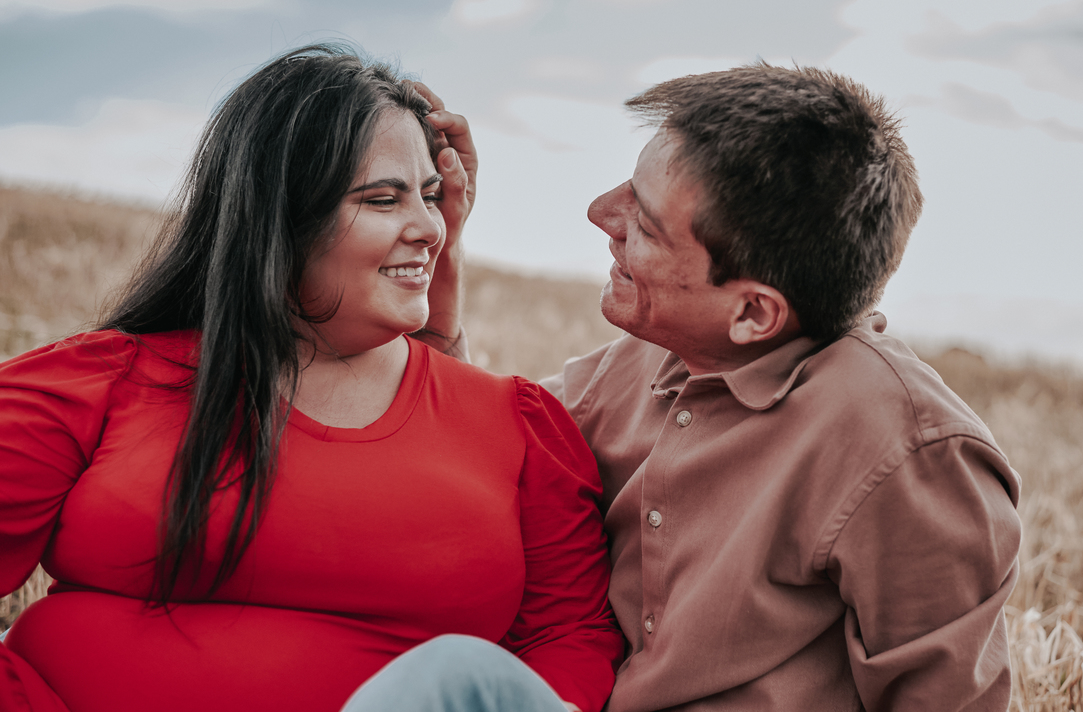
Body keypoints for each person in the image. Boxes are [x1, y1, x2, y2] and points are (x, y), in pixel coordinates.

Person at [0, 44, 623, 712]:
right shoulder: (105, 381)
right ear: (280, 218)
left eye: (432, 196)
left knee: (458, 669)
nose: (431, 228)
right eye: (383, 199)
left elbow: (568, 639)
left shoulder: (516, 426)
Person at [425, 64, 1023, 710]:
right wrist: (437, 255)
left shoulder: (910, 451)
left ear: (753, 313)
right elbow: (472, 448)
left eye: (646, 224)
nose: (601, 214)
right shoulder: (650, 357)